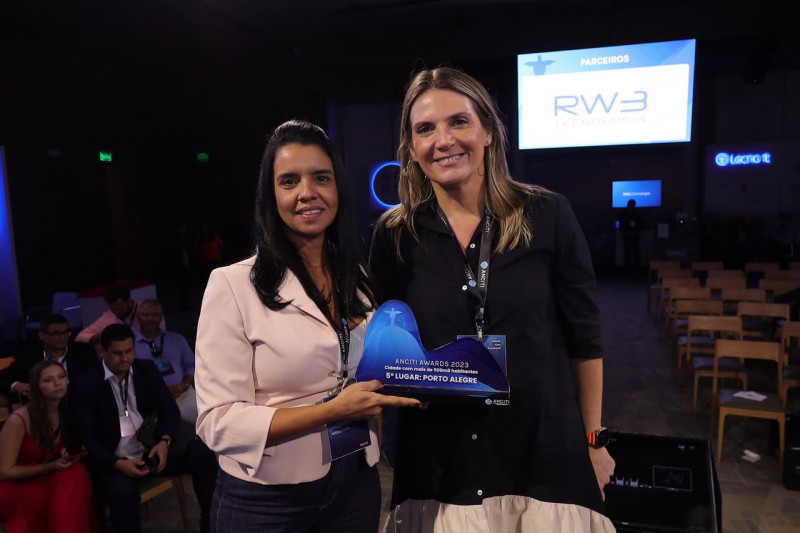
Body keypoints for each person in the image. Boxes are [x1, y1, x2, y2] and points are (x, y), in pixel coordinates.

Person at [369, 67, 616, 532]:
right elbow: (385, 340)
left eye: (458, 122)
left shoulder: (547, 214)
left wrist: (594, 441)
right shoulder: (395, 236)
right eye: (425, 129)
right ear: (412, 150)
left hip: (543, 456)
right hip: (442, 463)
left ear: (486, 131)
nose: (444, 140)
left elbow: (586, 340)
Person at [194, 119, 420, 533]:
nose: (307, 193)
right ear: (271, 195)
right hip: (267, 500)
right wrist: (330, 412)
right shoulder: (231, 285)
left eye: (321, 178)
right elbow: (217, 421)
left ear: (338, 190)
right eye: (289, 181)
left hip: (355, 482)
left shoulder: (359, 278)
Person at [68, 324, 217, 533]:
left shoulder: (145, 369)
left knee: (203, 455)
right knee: (123, 495)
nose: (125, 358)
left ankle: (211, 526)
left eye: (129, 351)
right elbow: (87, 438)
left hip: (149, 448)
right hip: (114, 460)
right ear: (102, 352)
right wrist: (117, 463)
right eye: (117, 353)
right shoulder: (85, 384)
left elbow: (169, 410)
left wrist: (164, 442)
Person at [0, 360, 99, 533]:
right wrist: (49, 466)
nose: (57, 383)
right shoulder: (18, 420)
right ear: (35, 387)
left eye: (61, 377)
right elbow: (5, 471)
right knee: (58, 495)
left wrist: (68, 452)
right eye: (48, 380)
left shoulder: (69, 410)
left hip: (52, 474)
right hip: (18, 483)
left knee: (77, 473)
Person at [0, 313, 96, 402]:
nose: (62, 337)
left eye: (66, 332)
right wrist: (17, 386)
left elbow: (94, 379)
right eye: (56, 334)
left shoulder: (84, 352)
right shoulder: (29, 356)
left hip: (78, 404)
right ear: (42, 335)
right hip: (41, 408)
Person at [133, 299, 198, 422]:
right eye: (146, 315)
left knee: (204, 424)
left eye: (155, 315)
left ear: (161, 317)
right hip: (153, 399)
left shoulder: (176, 339)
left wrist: (184, 385)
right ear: (138, 317)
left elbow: (191, 365)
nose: (150, 318)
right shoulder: (131, 345)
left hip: (183, 393)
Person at [75, 285, 165, 345]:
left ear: (129, 301)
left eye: (120, 309)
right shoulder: (109, 316)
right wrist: (96, 338)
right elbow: (80, 336)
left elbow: (162, 332)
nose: (117, 312)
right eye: (113, 309)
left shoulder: (147, 310)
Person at [619, 199, 642, 269]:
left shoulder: (636, 213)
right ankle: (628, 266)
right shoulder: (624, 213)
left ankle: (637, 266)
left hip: (634, 233)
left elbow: (640, 223)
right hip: (627, 233)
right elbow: (622, 223)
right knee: (628, 250)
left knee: (635, 250)